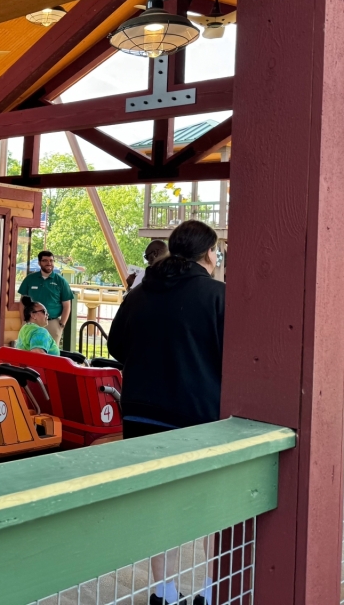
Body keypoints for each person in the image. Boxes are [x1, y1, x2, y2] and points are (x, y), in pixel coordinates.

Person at [108, 219, 223, 605]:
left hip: (140, 412)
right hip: (198, 416)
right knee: (211, 504)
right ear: (209, 253)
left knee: (157, 504)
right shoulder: (218, 295)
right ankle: (211, 591)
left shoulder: (139, 294)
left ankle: (164, 591)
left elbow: (117, 347)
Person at [17, 250, 73, 344]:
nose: (49, 263)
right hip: (32, 322)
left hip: (52, 322)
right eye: (45, 260)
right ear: (39, 263)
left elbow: (67, 305)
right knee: (30, 352)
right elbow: (23, 302)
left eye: (51, 260)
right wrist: (24, 321)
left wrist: (61, 325)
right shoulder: (29, 279)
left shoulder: (61, 281)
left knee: (51, 354)